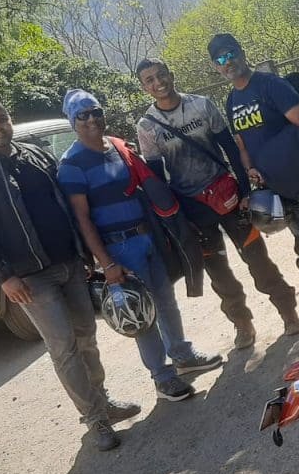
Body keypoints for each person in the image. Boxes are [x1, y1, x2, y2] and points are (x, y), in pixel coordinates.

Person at [0, 98, 140, 451]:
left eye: (1, 118)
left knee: (87, 337)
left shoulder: (35, 156)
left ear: (10, 119)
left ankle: (103, 402)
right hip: (29, 278)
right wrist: (3, 276)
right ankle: (95, 420)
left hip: (68, 263)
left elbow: (65, 205)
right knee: (64, 347)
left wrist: (83, 253)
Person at [56, 89, 221, 402]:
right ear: (72, 122)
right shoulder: (72, 165)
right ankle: (162, 377)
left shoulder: (117, 146)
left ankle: (182, 355)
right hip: (118, 249)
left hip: (147, 237)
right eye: (83, 115)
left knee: (165, 300)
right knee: (140, 313)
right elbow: (82, 220)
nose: (92, 119)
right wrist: (106, 263)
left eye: (95, 111)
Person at [134, 58, 299, 345]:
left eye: (161, 74)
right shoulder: (147, 127)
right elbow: (157, 179)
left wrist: (246, 191)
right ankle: (242, 324)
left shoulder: (202, 105)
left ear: (171, 74)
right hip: (194, 209)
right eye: (149, 79)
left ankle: (288, 313)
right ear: (144, 87)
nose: (158, 82)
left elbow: (232, 150)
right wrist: (177, 219)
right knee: (219, 272)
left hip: (230, 198)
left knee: (257, 258)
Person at [206, 33, 299, 274]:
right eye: (220, 60)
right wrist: (250, 169)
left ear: (242, 53)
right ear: (215, 67)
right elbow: (242, 145)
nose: (227, 62)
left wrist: (278, 159)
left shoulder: (270, 84)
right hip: (273, 188)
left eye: (230, 54)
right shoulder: (232, 101)